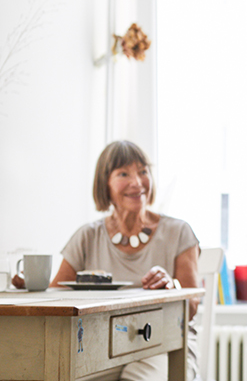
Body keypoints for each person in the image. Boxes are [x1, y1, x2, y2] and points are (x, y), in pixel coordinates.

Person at [13, 140, 201, 381]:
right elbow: (55, 297)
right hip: (102, 345)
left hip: (165, 343)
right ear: (105, 184)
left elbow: (192, 306)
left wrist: (172, 285)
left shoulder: (179, 232)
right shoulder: (87, 236)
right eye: (124, 173)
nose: (137, 182)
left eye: (143, 171)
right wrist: (30, 286)